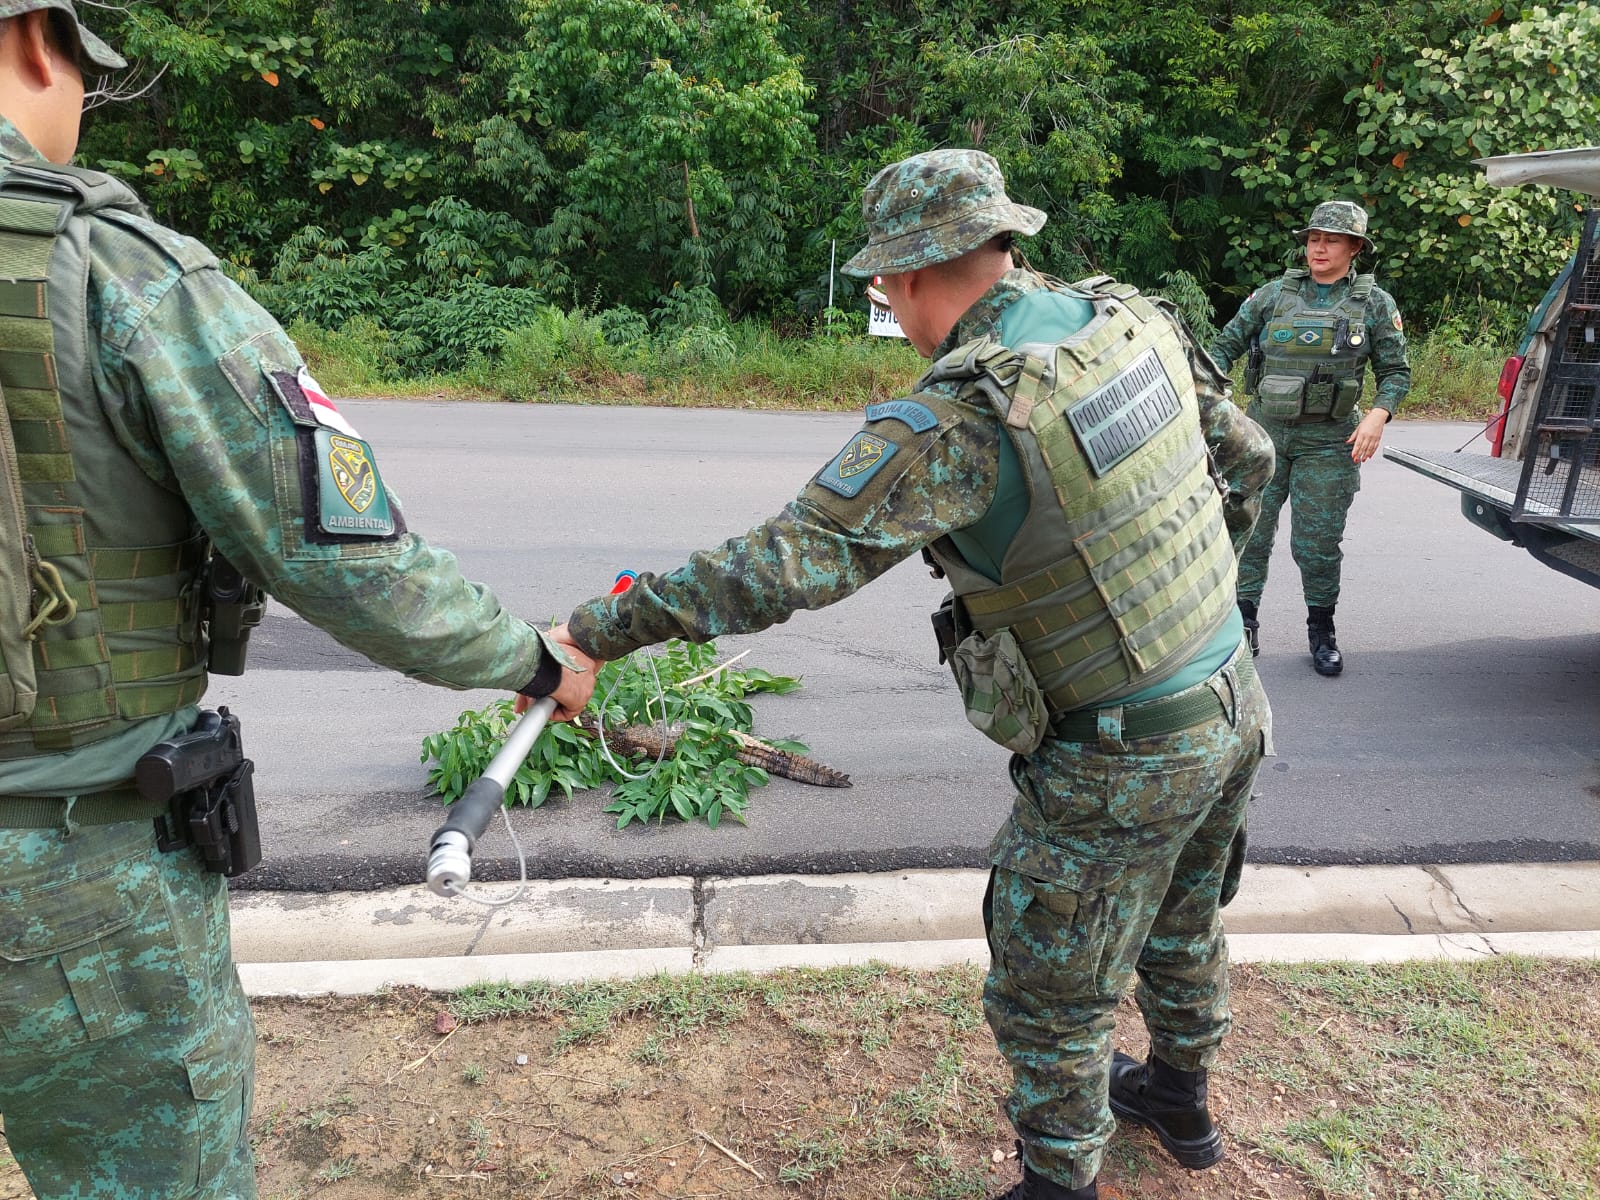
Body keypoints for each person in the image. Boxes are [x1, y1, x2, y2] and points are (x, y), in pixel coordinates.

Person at [548, 149, 1274, 1199]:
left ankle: (1057, 1183)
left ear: (917, 274)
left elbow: (783, 563)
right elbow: (1244, 464)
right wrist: (1187, 608)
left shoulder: (965, 417)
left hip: (1120, 754)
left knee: (1051, 989)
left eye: (885, 285)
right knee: (1182, 915)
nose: (889, 304)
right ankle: (1179, 1100)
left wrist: (596, 631)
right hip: (1231, 701)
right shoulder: (1132, 323)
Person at [0, 5, 596, 1198]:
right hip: (68, 871)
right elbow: (345, 553)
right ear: (32, 44)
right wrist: (531, 658)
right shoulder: (115, 274)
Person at [1208, 200, 1411, 676]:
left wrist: (1377, 417)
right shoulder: (1272, 296)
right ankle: (1242, 628)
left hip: (1331, 442)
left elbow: (1396, 371)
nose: (1318, 248)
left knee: (1317, 544)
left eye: (1331, 240)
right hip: (1264, 437)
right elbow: (1221, 349)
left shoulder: (1374, 303)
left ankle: (1322, 633)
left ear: (1355, 247)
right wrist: (1219, 407)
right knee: (1250, 536)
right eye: (1314, 239)